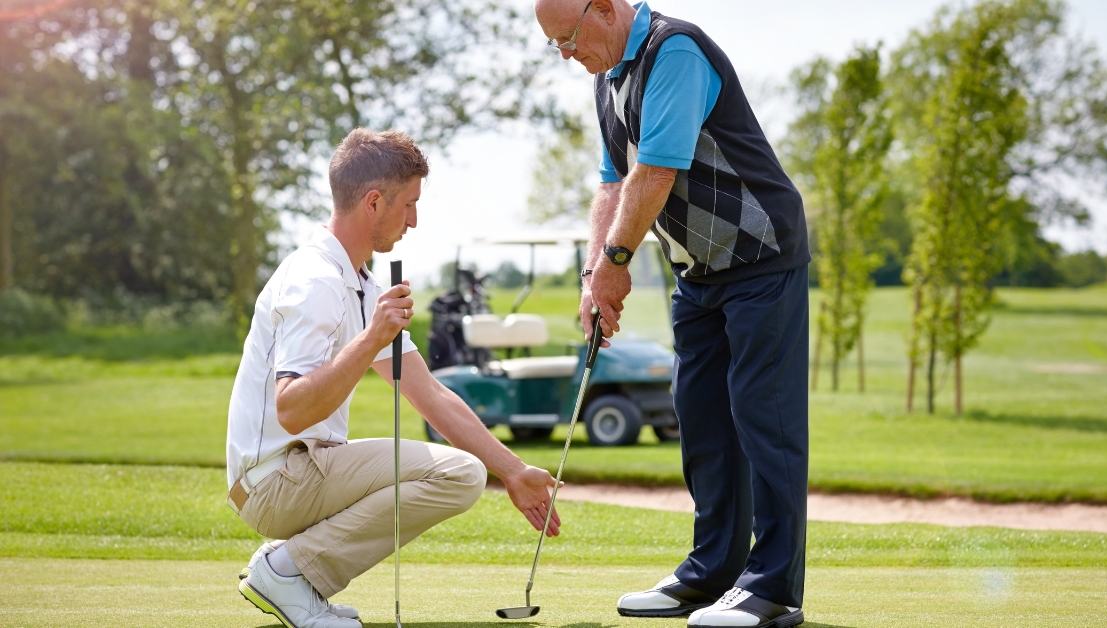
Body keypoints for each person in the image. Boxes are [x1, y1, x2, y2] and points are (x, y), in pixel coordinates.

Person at [535, 2, 812, 627]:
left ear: (603, 9)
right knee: (701, 415)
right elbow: (613, 184)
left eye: (569, 38)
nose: (566, 55)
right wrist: (592, 278)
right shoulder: (609, 82)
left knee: (761, 417)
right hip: (698, 272)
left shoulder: (674, 50)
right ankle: (713, 573)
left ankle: (772, 589)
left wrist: (616, 263)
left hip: (760, 254)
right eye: (553, 45)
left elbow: (656, 170)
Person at [225, 128, 562, 628]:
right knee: (459, 474)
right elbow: (292, 408)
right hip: (274, 482)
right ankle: (290, 570)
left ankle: (291, 569)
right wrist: (371, 338)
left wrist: (512, 471)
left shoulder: (360, 284)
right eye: (409, 205)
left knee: (466, 471)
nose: (415, 221)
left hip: (303, 469)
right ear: (374, 202)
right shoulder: (315, 280)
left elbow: (430, 395)